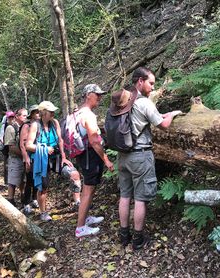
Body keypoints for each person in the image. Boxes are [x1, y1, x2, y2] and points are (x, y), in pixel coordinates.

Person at [112, 67, 182, 250]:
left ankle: (124, 234)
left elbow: (151, 119)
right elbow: (164, 125)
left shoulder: (122, 101)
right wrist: (173, 114)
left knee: (125, 195)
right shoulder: (143, 103)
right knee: (141, 198)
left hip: (123, 155)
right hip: (140, 156)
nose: (152, 87)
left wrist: (162, 115)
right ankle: (138, 239)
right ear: (140, 81)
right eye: (151, 83)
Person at [25, 101, 81, 221]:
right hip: (41, 159)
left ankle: (78, 203)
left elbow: (60, 140)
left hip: (56, 157)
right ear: (43, 113)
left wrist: (64, 157)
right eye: (51, 112)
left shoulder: (54, 123)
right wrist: (44, 149)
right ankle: (43, 212)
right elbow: (28, 145)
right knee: (43, 187)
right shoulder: (35, 125)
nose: (53, 113)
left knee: (74, 174)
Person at [74, 84, 114, 238]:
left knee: (88, 188)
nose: (100, 97)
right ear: (88, 95)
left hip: (83, 155)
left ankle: (85, 218)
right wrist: (106, 159)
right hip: (90, 155)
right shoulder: (88, 115)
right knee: (88, 189)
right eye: (97, 94)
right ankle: (80, 227)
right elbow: (94, 141)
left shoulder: (78, 112)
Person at [4, 108, 28, 206]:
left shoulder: (24, 127)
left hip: (23, 157)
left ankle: (23, 197)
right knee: (13, 180)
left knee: (23, 179)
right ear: (17, 116)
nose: (26, 117)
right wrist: (24, 155)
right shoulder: (11, 128)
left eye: (27, 115)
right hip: (15, 158)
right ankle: (11, 200)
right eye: (24, 115)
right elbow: (11, 147)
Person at [19, 105, 40, 214]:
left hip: (37, 156)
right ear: (31, 114)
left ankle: (34, 199)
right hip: (28, 157)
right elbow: (22, 144)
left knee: (36, 179)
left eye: (39, 112)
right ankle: (26, 203)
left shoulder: (39, 125)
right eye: (36, 112)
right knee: (29, 180)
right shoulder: (26, 126)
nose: (38, 114)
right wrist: (26, 158)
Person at [0, 111, 15, 185]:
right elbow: (1, 137)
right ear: (7, 118)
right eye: (10, 117)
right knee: (6, 164)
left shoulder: (15, 125)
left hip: (13, 148)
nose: (11, 118)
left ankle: (11, 181)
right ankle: (6, 181)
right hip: (6, 148)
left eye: (12, 117)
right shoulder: (4, 126)